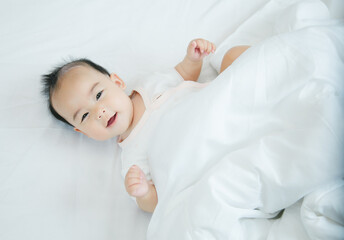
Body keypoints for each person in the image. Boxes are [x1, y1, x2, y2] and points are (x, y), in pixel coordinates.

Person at [41, 39, 250, 213]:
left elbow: (184, 73)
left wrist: (192, 59)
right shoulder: (132, 159)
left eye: (98, 95)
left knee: (234, 57)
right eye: (85, 115)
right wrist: (144, 193)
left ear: (117, 82)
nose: (100, 112)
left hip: (218, 107)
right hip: (204, 152)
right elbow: (155, 202)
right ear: (82, 131)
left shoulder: (150, 84)